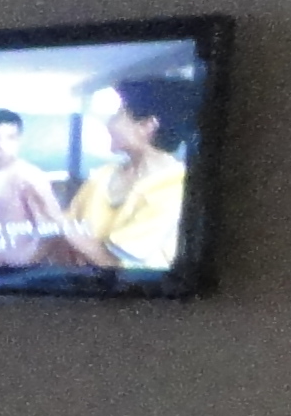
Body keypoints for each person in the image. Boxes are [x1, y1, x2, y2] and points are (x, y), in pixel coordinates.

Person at [59, 73, 192, 275]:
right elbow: (67, 227)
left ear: (147, 126)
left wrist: (61, 225)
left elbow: (114, 263)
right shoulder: (103, 175)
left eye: (118, 115)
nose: (109, 124)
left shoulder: (176, 187)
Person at [0, 106, 70, 265]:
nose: (1, 146)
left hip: (16, 269)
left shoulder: (28, 177)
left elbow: (52, 229)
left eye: (11, 138)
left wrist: (27, 262)